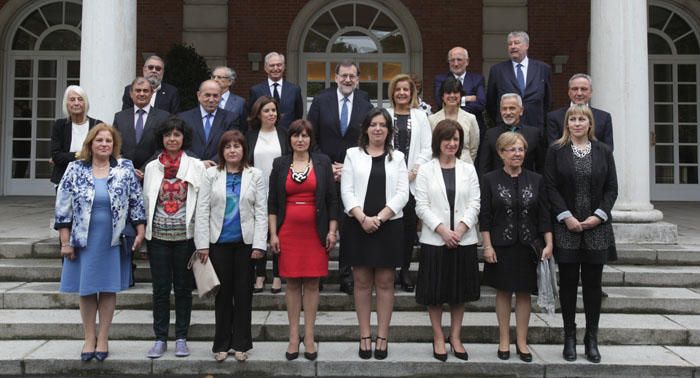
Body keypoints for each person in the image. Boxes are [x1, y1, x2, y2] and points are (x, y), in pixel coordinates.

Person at [54, 124, 146, 362]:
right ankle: (88, 337)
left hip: (112, 239)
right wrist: (65, 242)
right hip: (82, 239)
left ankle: (103, 337)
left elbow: (136, 201)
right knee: (86, 289)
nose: (104, 144)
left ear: (114, 146)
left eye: (109, 141)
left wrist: (140, 230)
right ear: (90, 144)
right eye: (99, 140)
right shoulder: (75, 168)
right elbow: (62, 207)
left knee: (107, 288)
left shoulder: (124, 169)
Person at [544, 104, 618, 363]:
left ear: (589, 124)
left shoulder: (603, 151)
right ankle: (569, 337)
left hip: (596, 228)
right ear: (567, 124)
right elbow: (550, 187)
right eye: (572, 119)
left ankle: (591, 338)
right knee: (567, 285)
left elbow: (612, 188)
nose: (577, 123)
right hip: (567, 228)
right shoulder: (556, 151)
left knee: (593, 287)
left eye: (582, 119)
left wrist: (599, 215)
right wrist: (567, 217)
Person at [341, 108, 409, 360]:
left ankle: (382, 336)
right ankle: (364, 335)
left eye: (383, 125)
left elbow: (403, 193)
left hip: (388, 225)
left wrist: (379, 218)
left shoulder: (398, 157)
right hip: (358, 225)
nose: (378, 129)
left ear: (389, 130)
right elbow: (346, 191)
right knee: (361, 282)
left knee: (385, 282)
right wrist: (362, 218)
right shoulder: (352, 155)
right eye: (373, 124)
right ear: (366, 129)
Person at [195, 130, 267, 362]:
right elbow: (202, 209)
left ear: (244, 150)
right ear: (222, 151)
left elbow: (261, 212)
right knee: (223, 296)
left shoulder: (255, 175)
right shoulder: (210, 175)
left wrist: (259, 244)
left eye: (237, 146)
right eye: (228, 146)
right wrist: (202, 245)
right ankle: (222, 344)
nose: (233, 150)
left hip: (246, 244)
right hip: (218, 244)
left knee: (244, 294)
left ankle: (241, 344)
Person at [480, 131, 553, 362]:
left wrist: (549, 243)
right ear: (501, 153)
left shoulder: (536, 179)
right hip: (501, 246)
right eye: (512, 149)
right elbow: (485, 216)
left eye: (521, 149)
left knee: (524, 294)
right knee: (503, 292)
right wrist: (487, 246)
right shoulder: (489, 179)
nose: (517, 153)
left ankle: (522, 341)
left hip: (529, 246)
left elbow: (544, 215)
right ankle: (503, 339)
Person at [268, 120, 337, 361]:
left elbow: (331, 200)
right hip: (288, 232)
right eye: (296, 136)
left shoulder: (322, 162)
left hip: (315, 232)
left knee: (312, 284)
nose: (300, 140)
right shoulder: (280, 164)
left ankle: (309, 337)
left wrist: (332, 231)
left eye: (305, 136)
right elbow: (273, 203)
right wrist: (273, 234)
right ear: (290, 140)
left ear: (311, 139)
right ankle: (293, 337)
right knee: (292, 284)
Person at [414, 119, 480, 362]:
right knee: (435, 293)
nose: (452, 143)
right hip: (435, 240)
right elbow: (421, 206)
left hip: (463, 240)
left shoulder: (468, 169)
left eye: (455, 139)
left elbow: (475, 203)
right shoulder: (426, 170)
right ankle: (438, 337)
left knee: (458, 294)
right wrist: (442, 230)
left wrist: (460, 230)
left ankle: (456, 337)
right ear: (438, 142)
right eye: (447, 139)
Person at [307, 60, 373, 295]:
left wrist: (349, 166)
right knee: (322, 223)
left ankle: (347, 276)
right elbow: (310, 135)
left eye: (352, 76)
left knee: (349, 228)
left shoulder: (365, 103)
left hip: (353, 173)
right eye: (343, 76)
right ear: (335, 77)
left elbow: (367, 140)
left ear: (357, 79)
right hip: (323, 172)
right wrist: (325, 165)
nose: (347, 80)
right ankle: (319, 274)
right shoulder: (321, 101)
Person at [143, 116, 205, 359]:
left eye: (176, 135)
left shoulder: (195, 166)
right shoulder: (152, 167)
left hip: (185, 237)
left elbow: (202, 205)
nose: (172, 139)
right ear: (161, 138)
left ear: (183, 138)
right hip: (157, 237)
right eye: (168, 135)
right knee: (160, 289)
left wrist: (201, 241)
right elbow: (148, 201)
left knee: (182, 289)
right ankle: (160, 338)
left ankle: (181, 337)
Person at [385, 74, 432, 293]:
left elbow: (427, 147)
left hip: (413, 181)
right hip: (388, 180)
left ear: (412, 93)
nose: (402, 93)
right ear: (392, 92)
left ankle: (404, 269)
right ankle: (389, 269)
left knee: (407, 227)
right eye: (398, 89)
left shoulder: (420, 116)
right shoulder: (384, 114)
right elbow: (379, 143)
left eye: (406, 89)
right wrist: (395, 171)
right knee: (389, 226)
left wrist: (415, 170)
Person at [247, 96, 289, 294]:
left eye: (274, 110)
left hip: (280, 192)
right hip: (256, 191)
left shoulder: (284, 134)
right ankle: (260, 274)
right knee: (259, 233)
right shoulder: (250, 135)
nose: (271, 114)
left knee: (278, 233)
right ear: (258, 114)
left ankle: (278, 275)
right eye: (267, 110)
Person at [486, 31, 551, 131]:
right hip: (506, 129)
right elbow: (491, 102)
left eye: (516, 43)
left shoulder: (542, 69)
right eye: (510, 44)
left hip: (535, 128)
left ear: (526, 45)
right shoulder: (497, 70)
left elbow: (548, 101)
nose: (512, 46)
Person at [113, 77, 171, 178]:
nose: (142, 94)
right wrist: (128, 169)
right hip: (124, 175)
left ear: (152, 93)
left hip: (154, 174)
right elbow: (115, 146)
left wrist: (144, 170)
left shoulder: (164, 117)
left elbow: (164, 147)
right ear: (131, 94)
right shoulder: (120, 117)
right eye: (138, 90)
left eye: (145, 91)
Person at [178, 80, 240, 167]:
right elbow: (180, 144)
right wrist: (198, 163)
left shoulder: (231, 118)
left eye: (215, 96)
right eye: (207, 95)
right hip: (191, 169)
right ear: (199, 95)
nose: (211, 100)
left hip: (219, 169)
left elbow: (230, 144)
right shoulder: (183, 118)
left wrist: (212, 163)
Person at [479, 93, 545, 174]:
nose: (508, 112)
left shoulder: (534, 134)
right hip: (498, 184)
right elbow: (484, 167)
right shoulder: (491, 135)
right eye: (504, 109)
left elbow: (541, 166)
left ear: (521, 111)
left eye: (512, 108)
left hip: (527, 183)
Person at [50, 85, 102, 186]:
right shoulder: (60, 125)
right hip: (64, 179)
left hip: (93, 178)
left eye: (80, 99)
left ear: (85, 103)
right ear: (67, 103)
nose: (76, 103)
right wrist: (81, 154)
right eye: (72, 100)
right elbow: (56, 156)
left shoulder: (97, 125)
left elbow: (102, 154)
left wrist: (68, 156)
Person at [547, 73, 614, 149]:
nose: (579, 93)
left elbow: (608, 150)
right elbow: (554, 148)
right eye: (575, 89)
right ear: (569, 92)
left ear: (591, 92)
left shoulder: (604, 117)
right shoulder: (554, 117)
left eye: (584, 89)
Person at [433, 47, 486, 137]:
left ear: (467, 62)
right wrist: (466, 99)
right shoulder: (440, 79)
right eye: (452, 60)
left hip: (472, 129)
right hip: (447, 128)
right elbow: (439, 101)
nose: (456, 63)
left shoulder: (477, 79)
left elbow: (481, 104)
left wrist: (452, 103)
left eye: (459, 60)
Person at [428, 77, 480, 164]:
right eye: (448, 92)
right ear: (442, 96)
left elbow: (473, 148)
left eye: (455, 92)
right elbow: (430, 146)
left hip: (465, 166)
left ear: (460, 95)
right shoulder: (432, 120)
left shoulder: (471, 118)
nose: (452, 95)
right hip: (439, 166)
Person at [248, 52, 303, 132]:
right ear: (265, 68)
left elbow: (298, 116)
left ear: (284, 67)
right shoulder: (256, 90)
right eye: (272, 65)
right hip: (264, 136)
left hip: (287, 137)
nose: (276, 68)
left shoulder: (294, 90)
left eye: (279, 65)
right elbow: (252, 116)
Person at [212, 66, 247, 133]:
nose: (215, 80)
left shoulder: (240, 102)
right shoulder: (206, 100)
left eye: (219, 77)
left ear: (230, 81)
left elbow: (243, 127)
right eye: (213, 77)